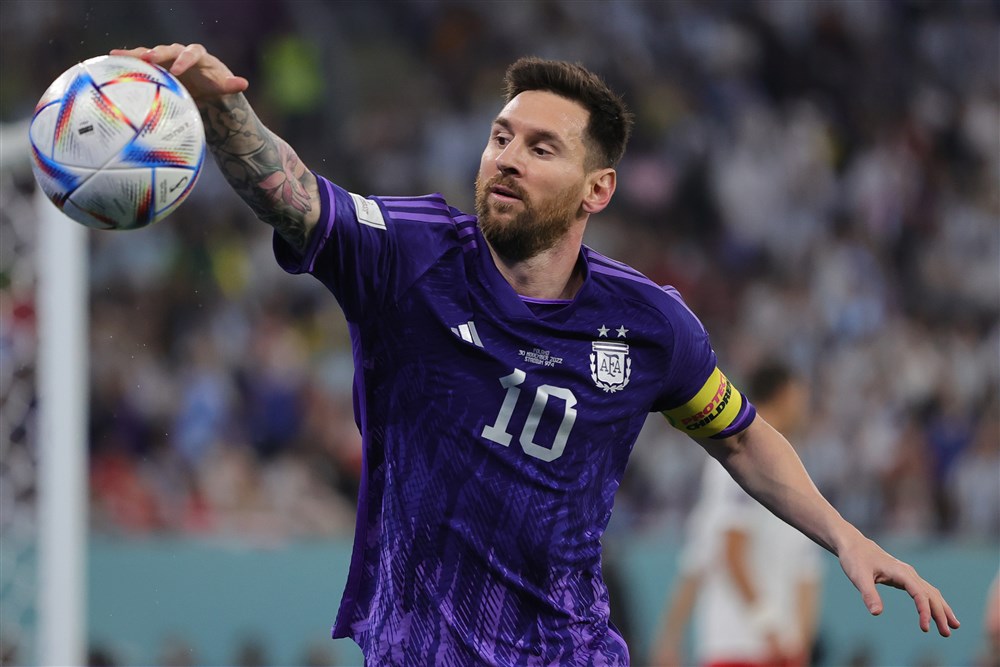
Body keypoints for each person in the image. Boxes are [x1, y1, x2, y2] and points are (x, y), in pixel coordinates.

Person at [109, 43, 960, 665]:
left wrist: (845, 535)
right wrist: (223, 110)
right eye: (502, 136)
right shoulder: (408, 257)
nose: (508, 159)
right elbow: (292, 196)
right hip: (415, 650)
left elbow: (740, 437)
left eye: (541, 147)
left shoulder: (648, 323)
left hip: (569, 650)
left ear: (599, 189)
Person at [651, 362, 822, 667]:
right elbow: (727, 551)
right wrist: (768, 625)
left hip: (777, 646)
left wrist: (798, 643)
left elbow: (805, 569)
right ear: (784, 395)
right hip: (741, 644)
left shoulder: (795, 468)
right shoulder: (738, 461)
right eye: (800, 395)